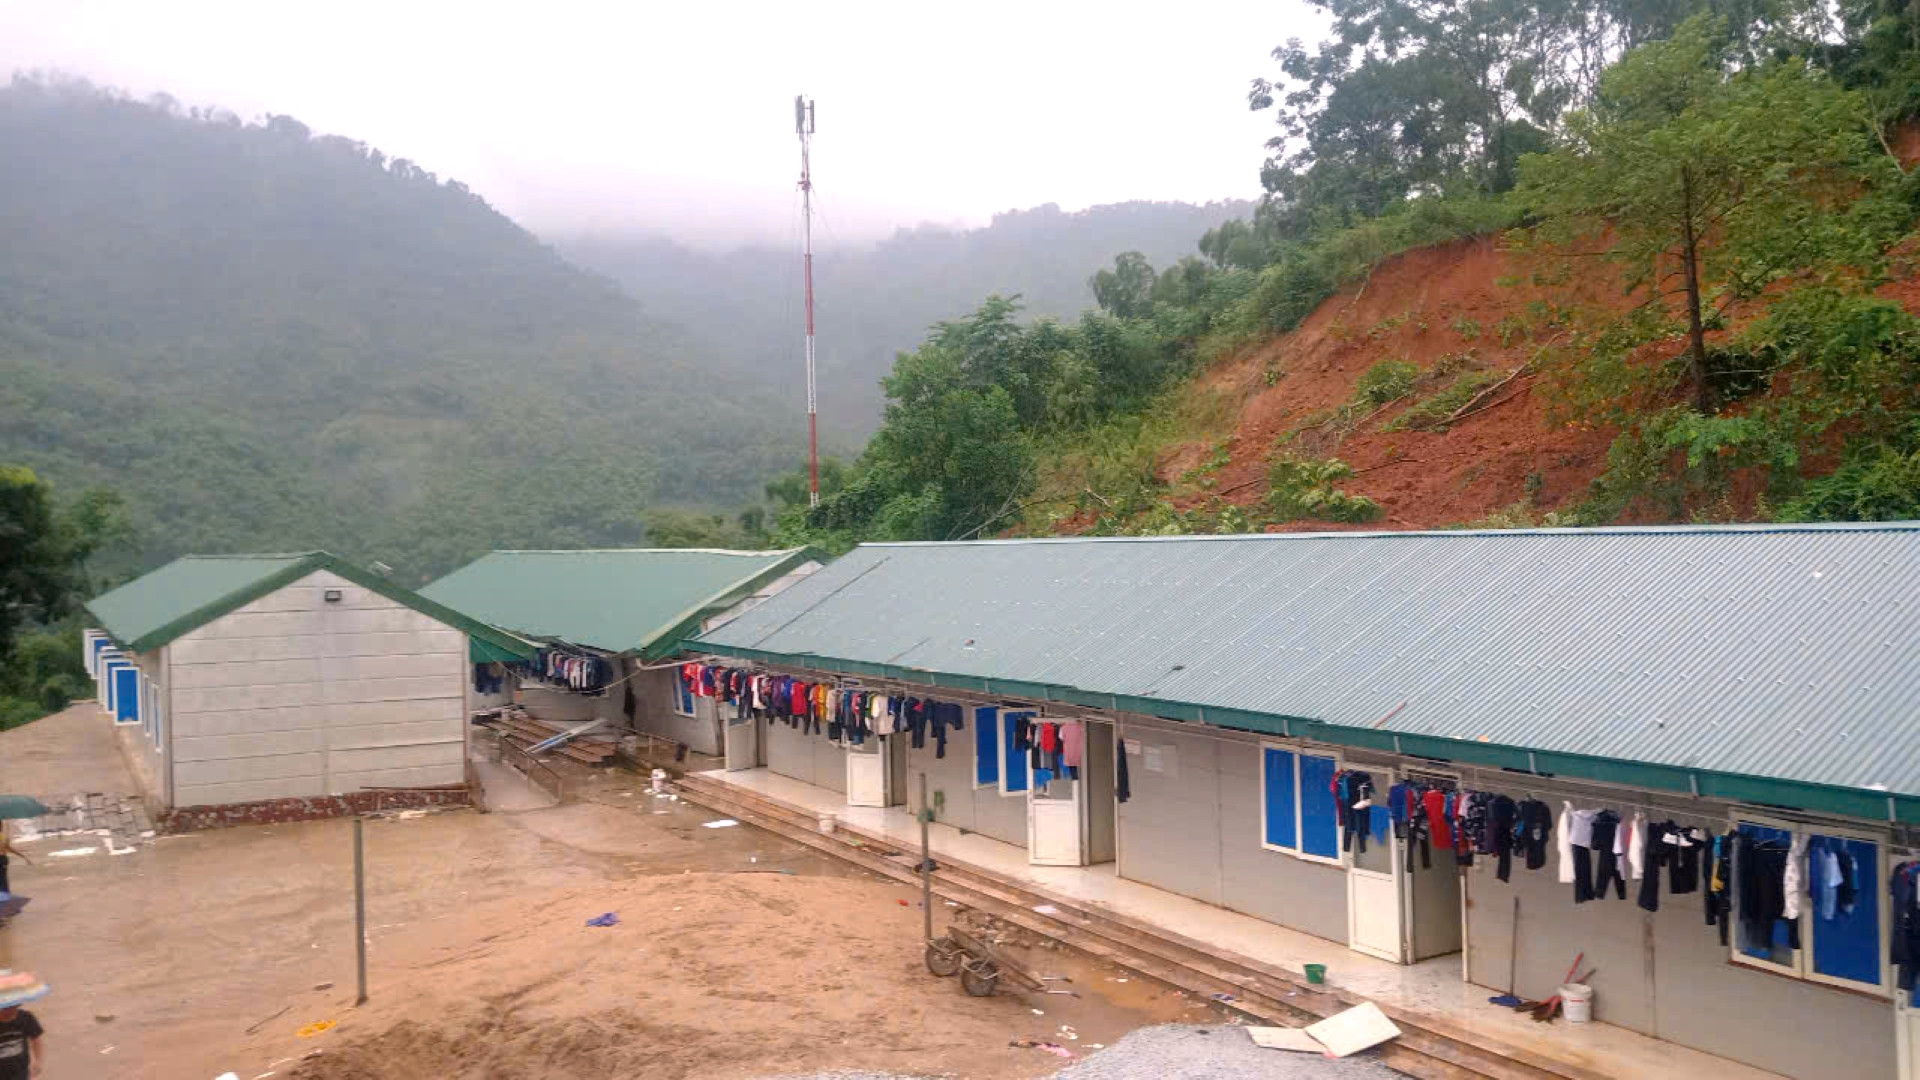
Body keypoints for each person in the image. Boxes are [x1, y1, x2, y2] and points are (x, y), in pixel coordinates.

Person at [0, 1004, 42, 1079]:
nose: (12, 1010)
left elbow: (36, 1038)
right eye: (8, 1008)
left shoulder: (26, 1017)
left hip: (20, 1070)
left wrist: (38, 1060)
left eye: (15, 1006)